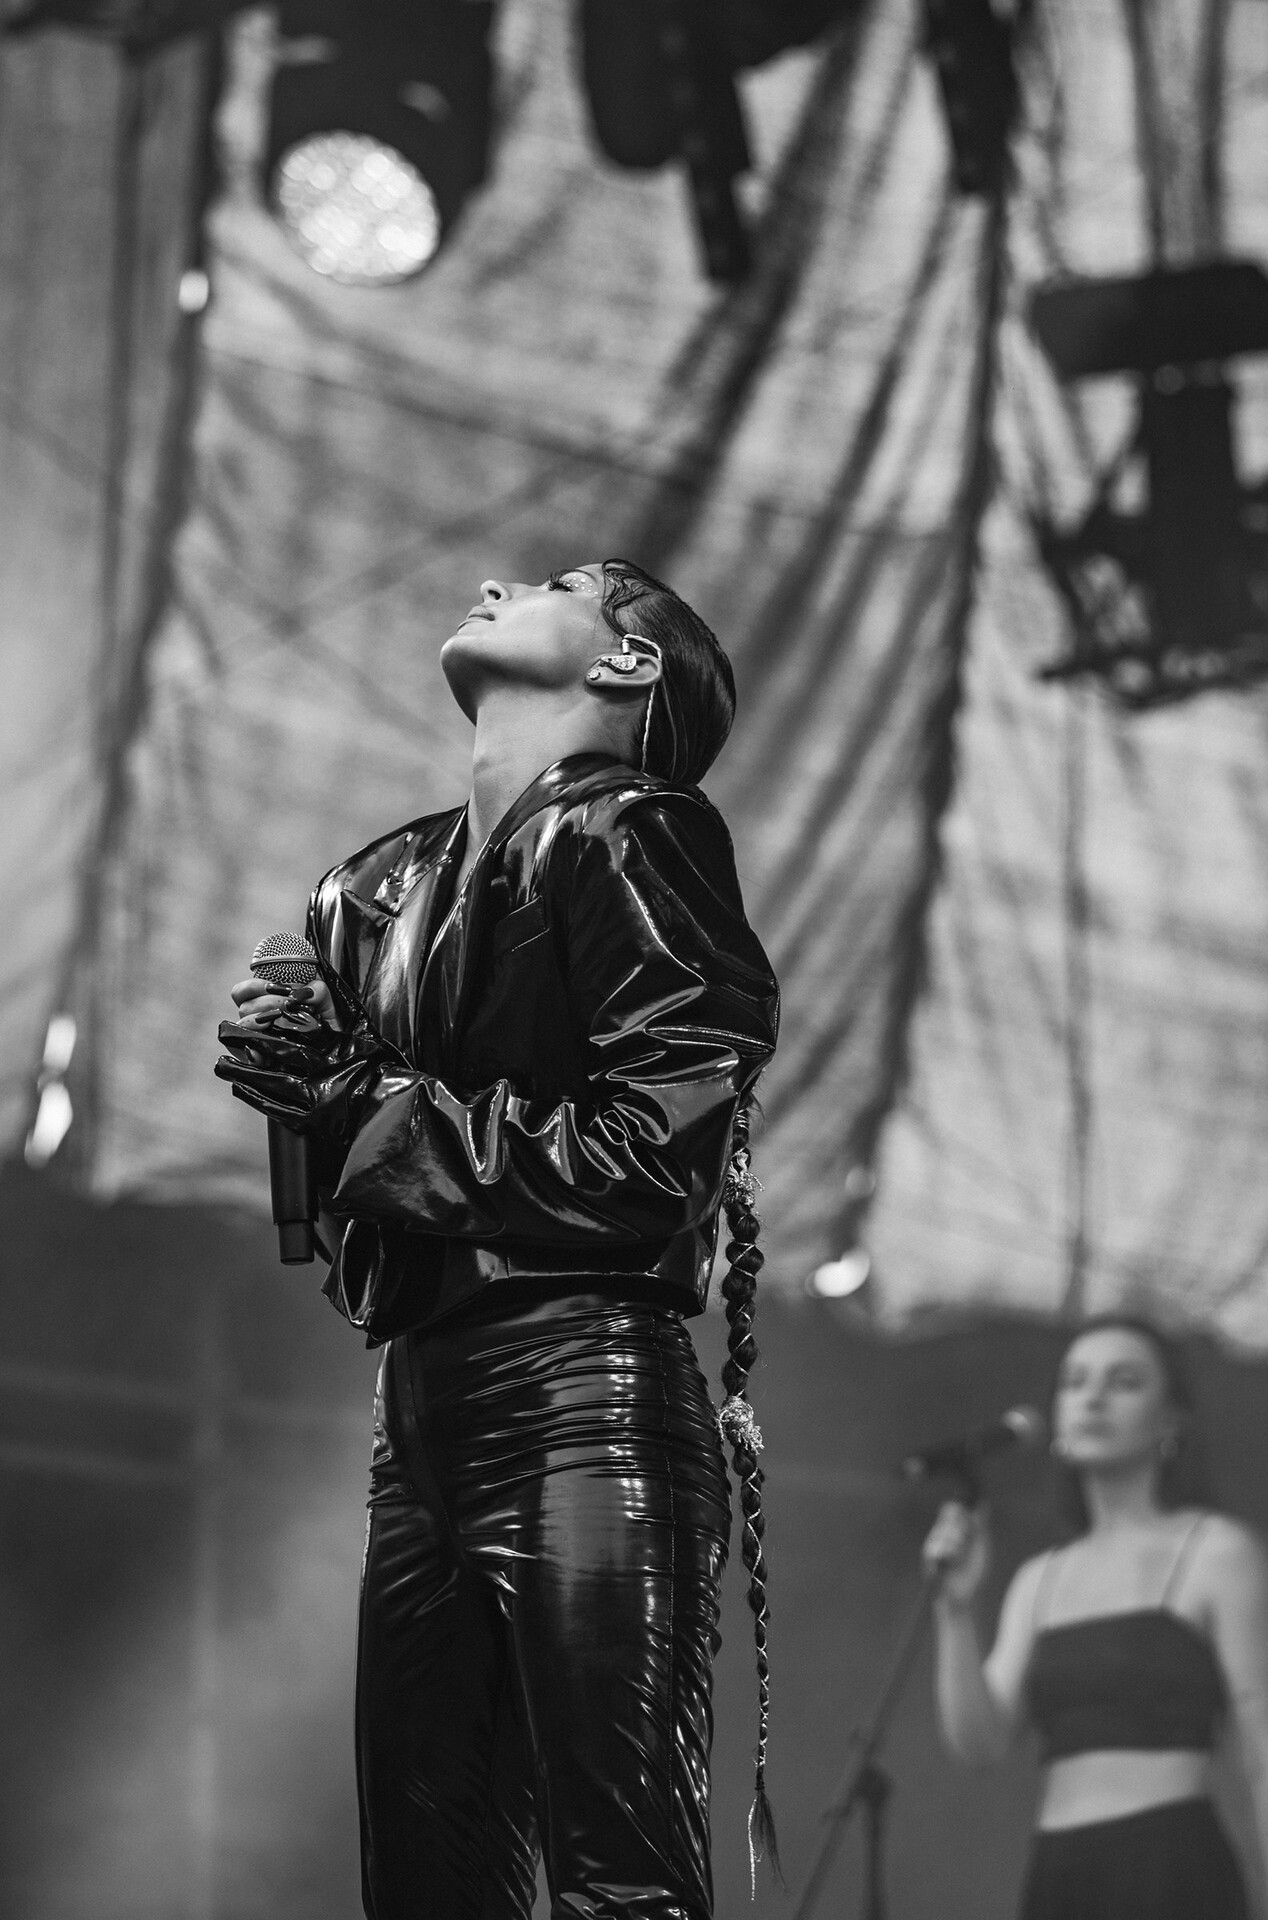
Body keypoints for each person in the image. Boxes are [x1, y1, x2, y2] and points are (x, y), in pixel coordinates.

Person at [216, 559, 780, 1920]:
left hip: (584, 1386)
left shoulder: (633, 829)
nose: (494, 580)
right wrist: (314, 1082)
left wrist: (361, 1102)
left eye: (566, 584)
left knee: (620, 1887)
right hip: (416, 1406)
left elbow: (656, 1154)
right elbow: (350, 1211)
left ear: (628, 664)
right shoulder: (377, 889)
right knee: (427, 1891)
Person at [922, 1314, 1268, 1920]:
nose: (1093, 1398)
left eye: (1124, 1381)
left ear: (1171, 1420)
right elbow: (980, 1742)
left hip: (1171, 1864)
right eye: (1075, 1382)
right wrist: (956, 1611)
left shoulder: (1218, 1552)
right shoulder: (1039, 1579)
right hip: (1058, 1874)